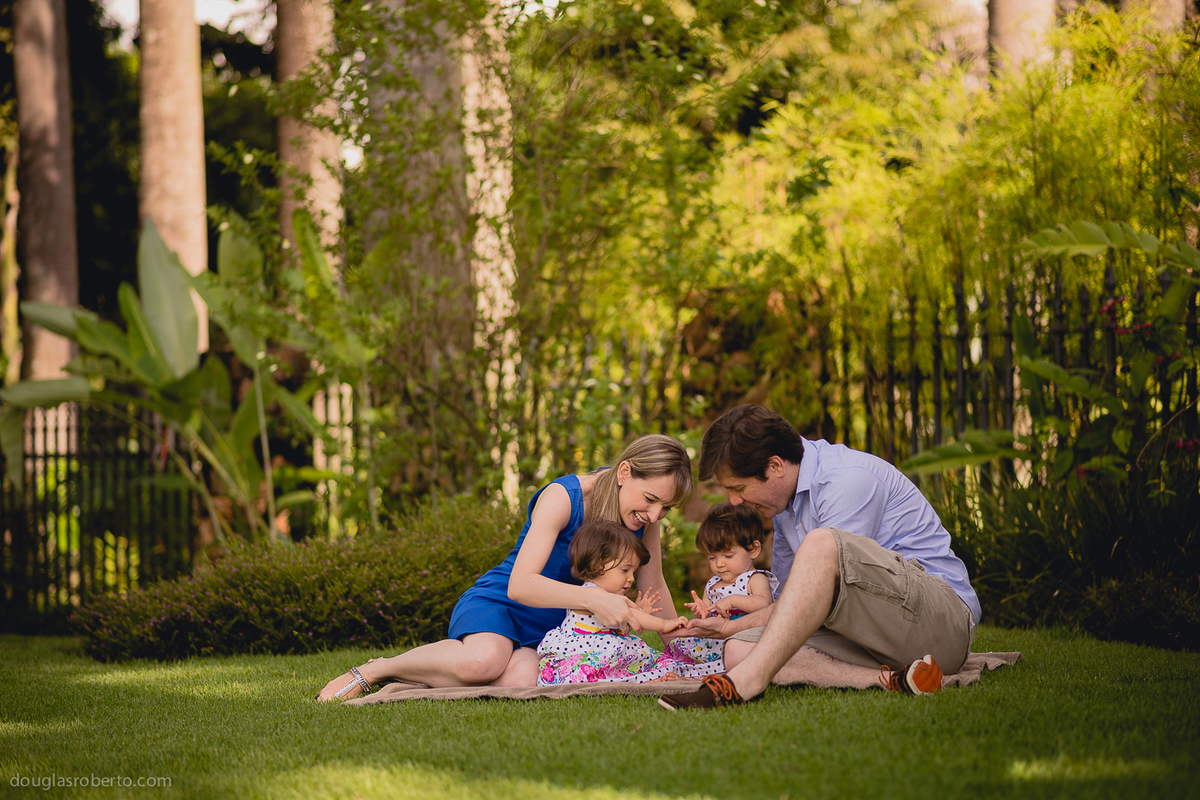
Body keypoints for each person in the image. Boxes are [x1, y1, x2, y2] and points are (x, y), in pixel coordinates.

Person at [317, 434, 694, 700]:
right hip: (503, 601)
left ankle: (429, 675)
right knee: (483, 661)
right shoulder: (565, 496)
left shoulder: (645, 518)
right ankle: (380, 668)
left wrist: (683, 654)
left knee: (518, 681)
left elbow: (654, 584)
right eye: (651, 500)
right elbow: (521, 585)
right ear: (625, 471)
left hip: (557, 628)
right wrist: (594, 600)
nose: (656, 513)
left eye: (666, 507)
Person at [659, 404, 980, 710]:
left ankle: (748, 682)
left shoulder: (846, 479)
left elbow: (832, 588)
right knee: (741, 650)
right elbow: (787, 607)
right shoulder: (785, 507)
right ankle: (893, 681)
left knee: (824, 543)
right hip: (878, 636)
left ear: (775, 466)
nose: (735, 500)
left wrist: (734, 627)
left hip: (940, 624)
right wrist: (726, 630)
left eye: (739, 487)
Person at [536, 520, 692, 685]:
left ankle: (638, 679)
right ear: (597, 565)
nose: (631, 578)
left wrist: (641, 613)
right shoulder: (590, 593)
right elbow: (631, 614)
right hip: (587, 659)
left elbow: (624, 624)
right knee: (614, 669)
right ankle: (639, 681)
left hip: (606, 656)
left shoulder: (608, 596)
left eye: (633, 572)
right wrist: (663, 624)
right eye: (625, 570)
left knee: (657, 662)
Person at [663, 502, 777, 674]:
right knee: (680, 648)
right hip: (713, 639)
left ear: (753, 550)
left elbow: (765, 604)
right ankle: (691, 671)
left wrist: (733, 600)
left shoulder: (754, 579)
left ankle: (698, 675)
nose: (720, 564)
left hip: (742, 640)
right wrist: (701, 612)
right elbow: (708, 612)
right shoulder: (713, 583)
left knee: (729, 658)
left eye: (728, 555)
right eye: (712, 557)